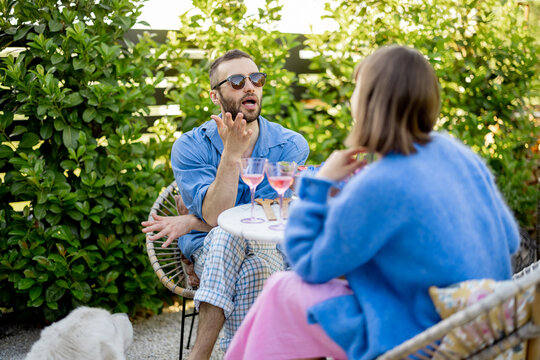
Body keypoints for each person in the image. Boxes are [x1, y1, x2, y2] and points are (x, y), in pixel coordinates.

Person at [225, 45, 520, 360]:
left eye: (356, 89)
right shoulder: (457, 152)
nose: (351, 99)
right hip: (485, 327)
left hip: (422, 340)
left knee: (283, 292)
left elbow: (309, 264)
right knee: (285, 294)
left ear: (369, 102)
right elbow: (511, 240)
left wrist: (317, 185)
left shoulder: (380, 181)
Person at [148, 49, 309, 359]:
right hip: (210, 249)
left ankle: (200, 355)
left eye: (256, 79)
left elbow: (266, 213)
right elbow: (221, 215)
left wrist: (192, 221)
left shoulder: (290, 144)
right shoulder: (190, 146)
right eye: (236, 81)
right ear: (215, 96)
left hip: (266, 246)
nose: (249, 86)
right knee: (243, 257)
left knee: (241, 246)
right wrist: (231, 155)